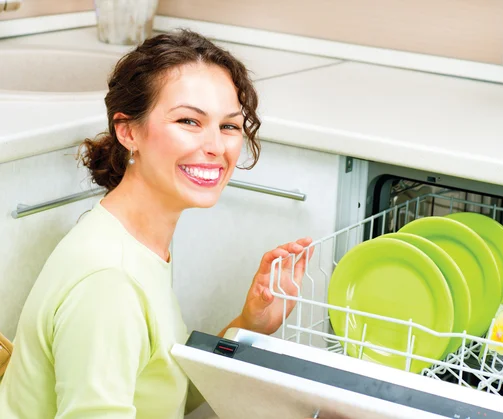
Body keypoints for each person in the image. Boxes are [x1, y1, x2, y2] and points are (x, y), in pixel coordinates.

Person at [0, 29, 313, 418]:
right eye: (188, 121)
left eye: (229, 126)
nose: (216, 146)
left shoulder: (134, 239)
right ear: (128, 130)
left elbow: (162, 391)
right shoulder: (109, 282)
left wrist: (249, 325)